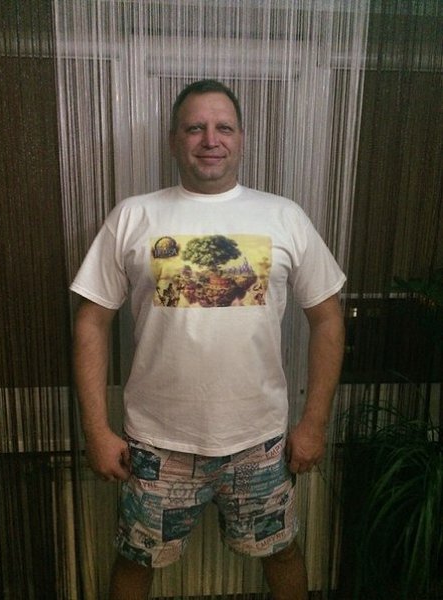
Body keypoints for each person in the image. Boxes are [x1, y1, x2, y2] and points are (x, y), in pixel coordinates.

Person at [71, 79, 346, 600]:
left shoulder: (284, 216)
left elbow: (328, 319)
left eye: (224, 127)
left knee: (282, 552)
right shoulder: (134, 215)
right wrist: (96, 430)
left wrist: (314, 423)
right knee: (135, 560)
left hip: (259, 443)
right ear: (174, 141)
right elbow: (91, 321)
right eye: (195, 128)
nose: (210, 139)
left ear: (241, 138)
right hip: (157, 444)